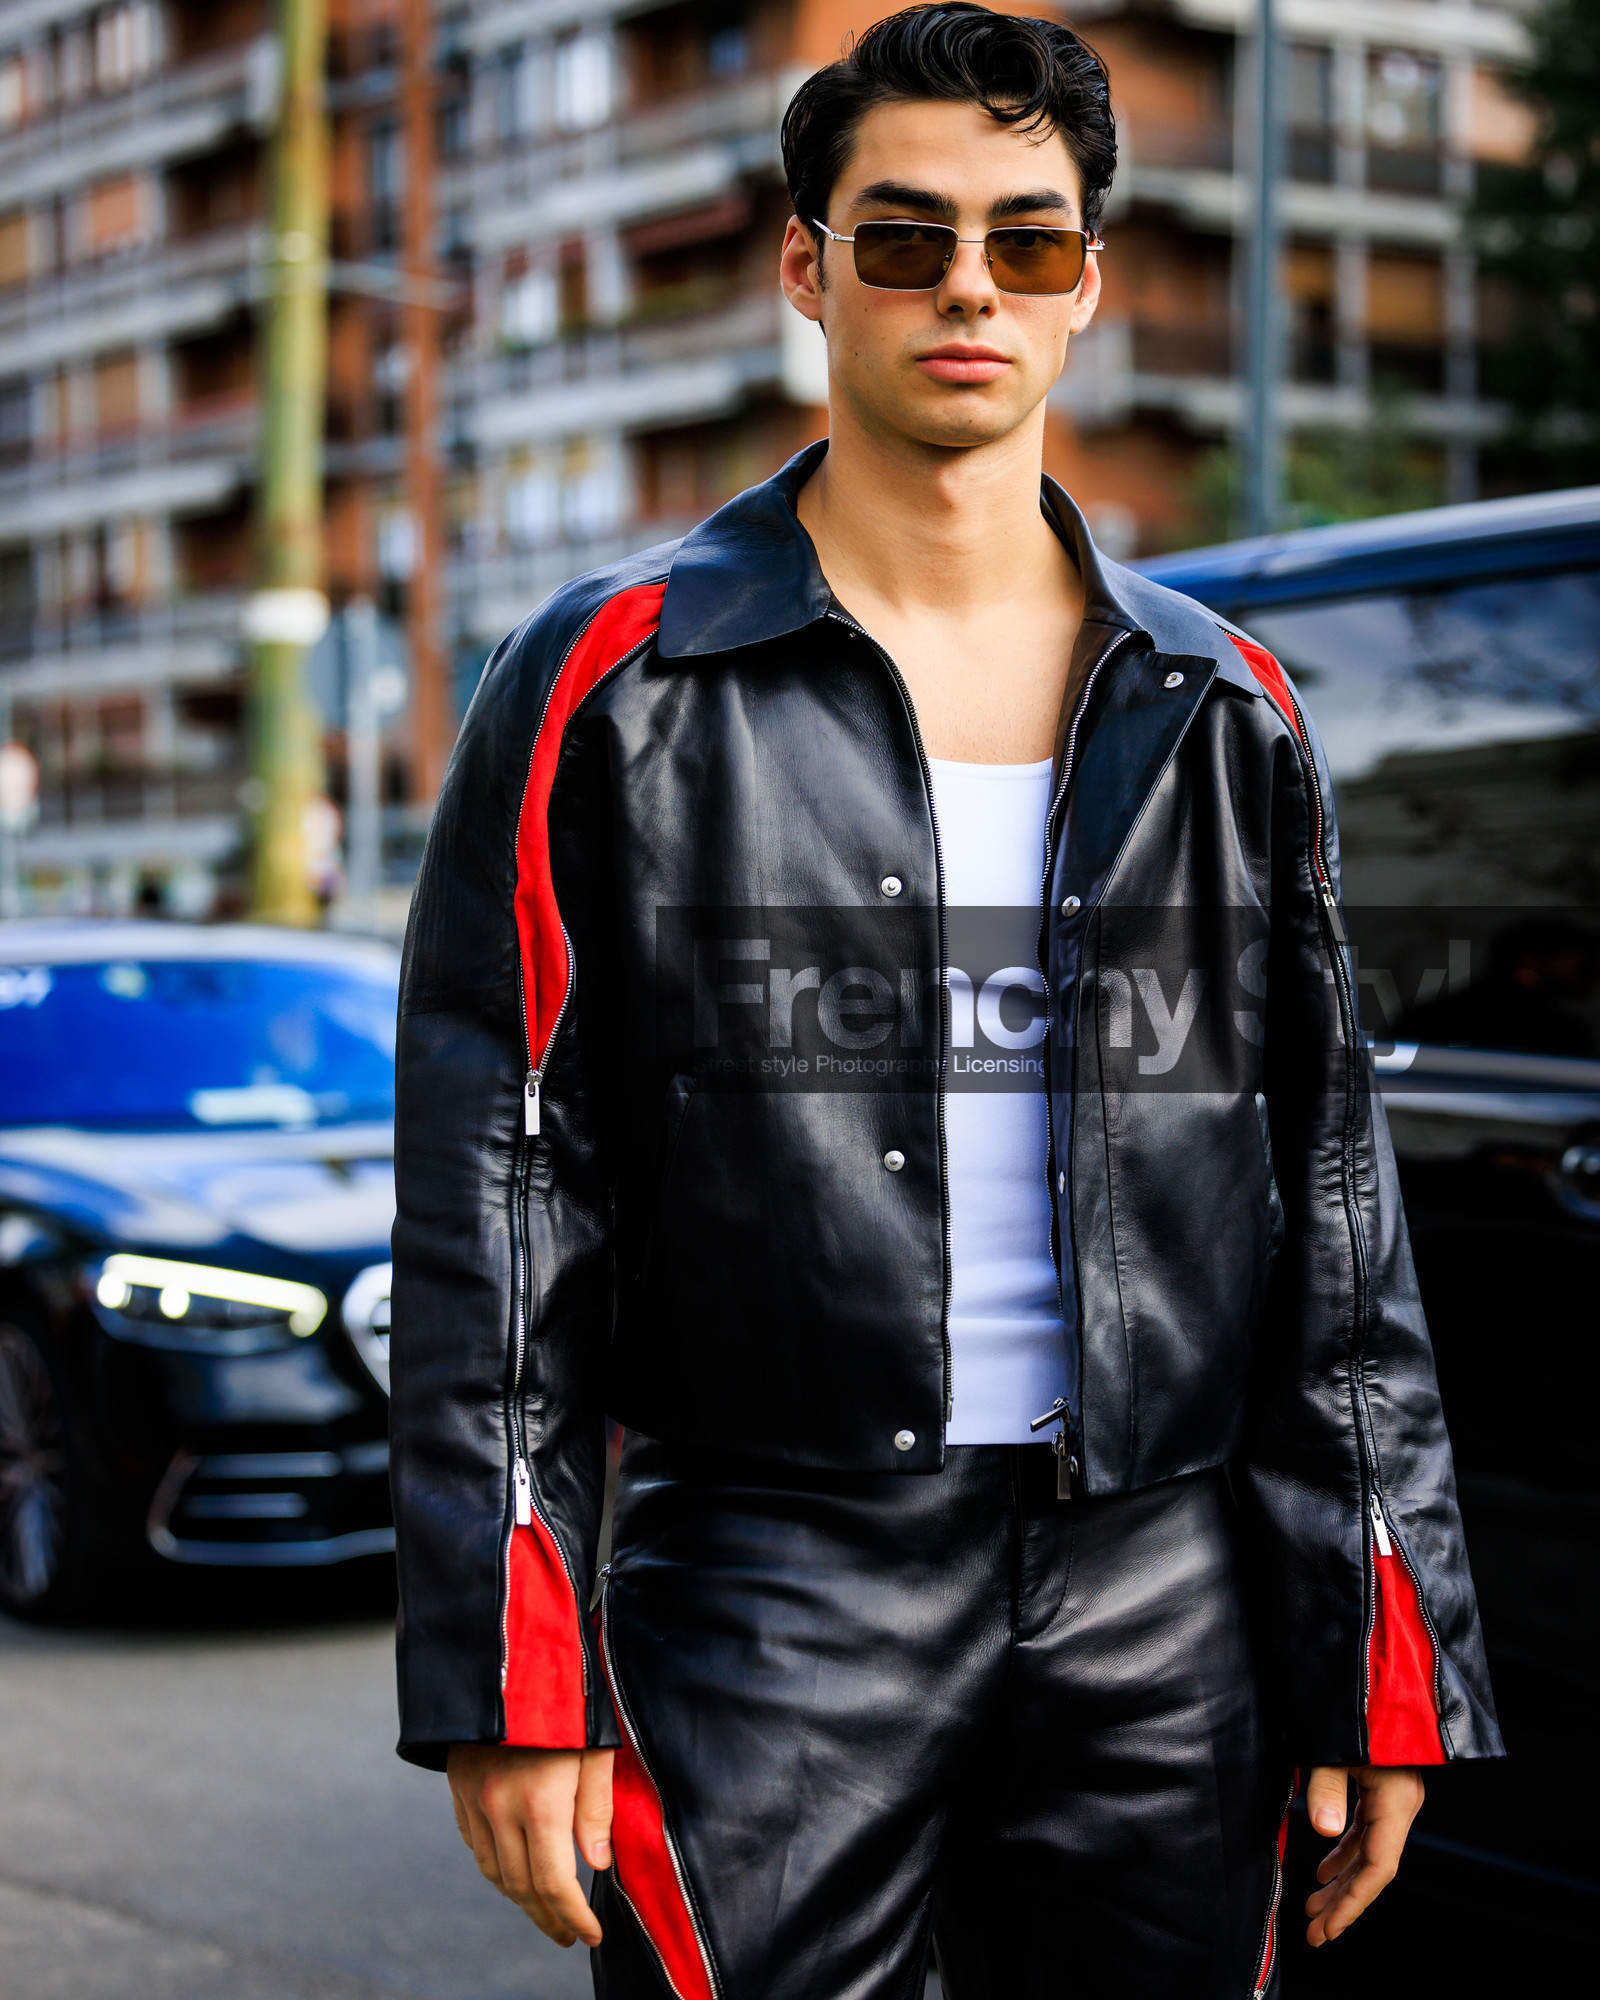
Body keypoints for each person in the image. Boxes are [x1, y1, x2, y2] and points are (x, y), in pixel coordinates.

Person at [390, 10, 1500, 1996]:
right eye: (900, 240)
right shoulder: (616, 685)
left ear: (1086, 282)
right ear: (806, 269)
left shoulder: (1219, 708)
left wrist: (1379, 1651)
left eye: (1024, 240)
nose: (964, 287)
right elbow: (498, 1187)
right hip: (772, 1585)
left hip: (1166, 1589)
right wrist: (504, 1666)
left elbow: (1334, 1216)